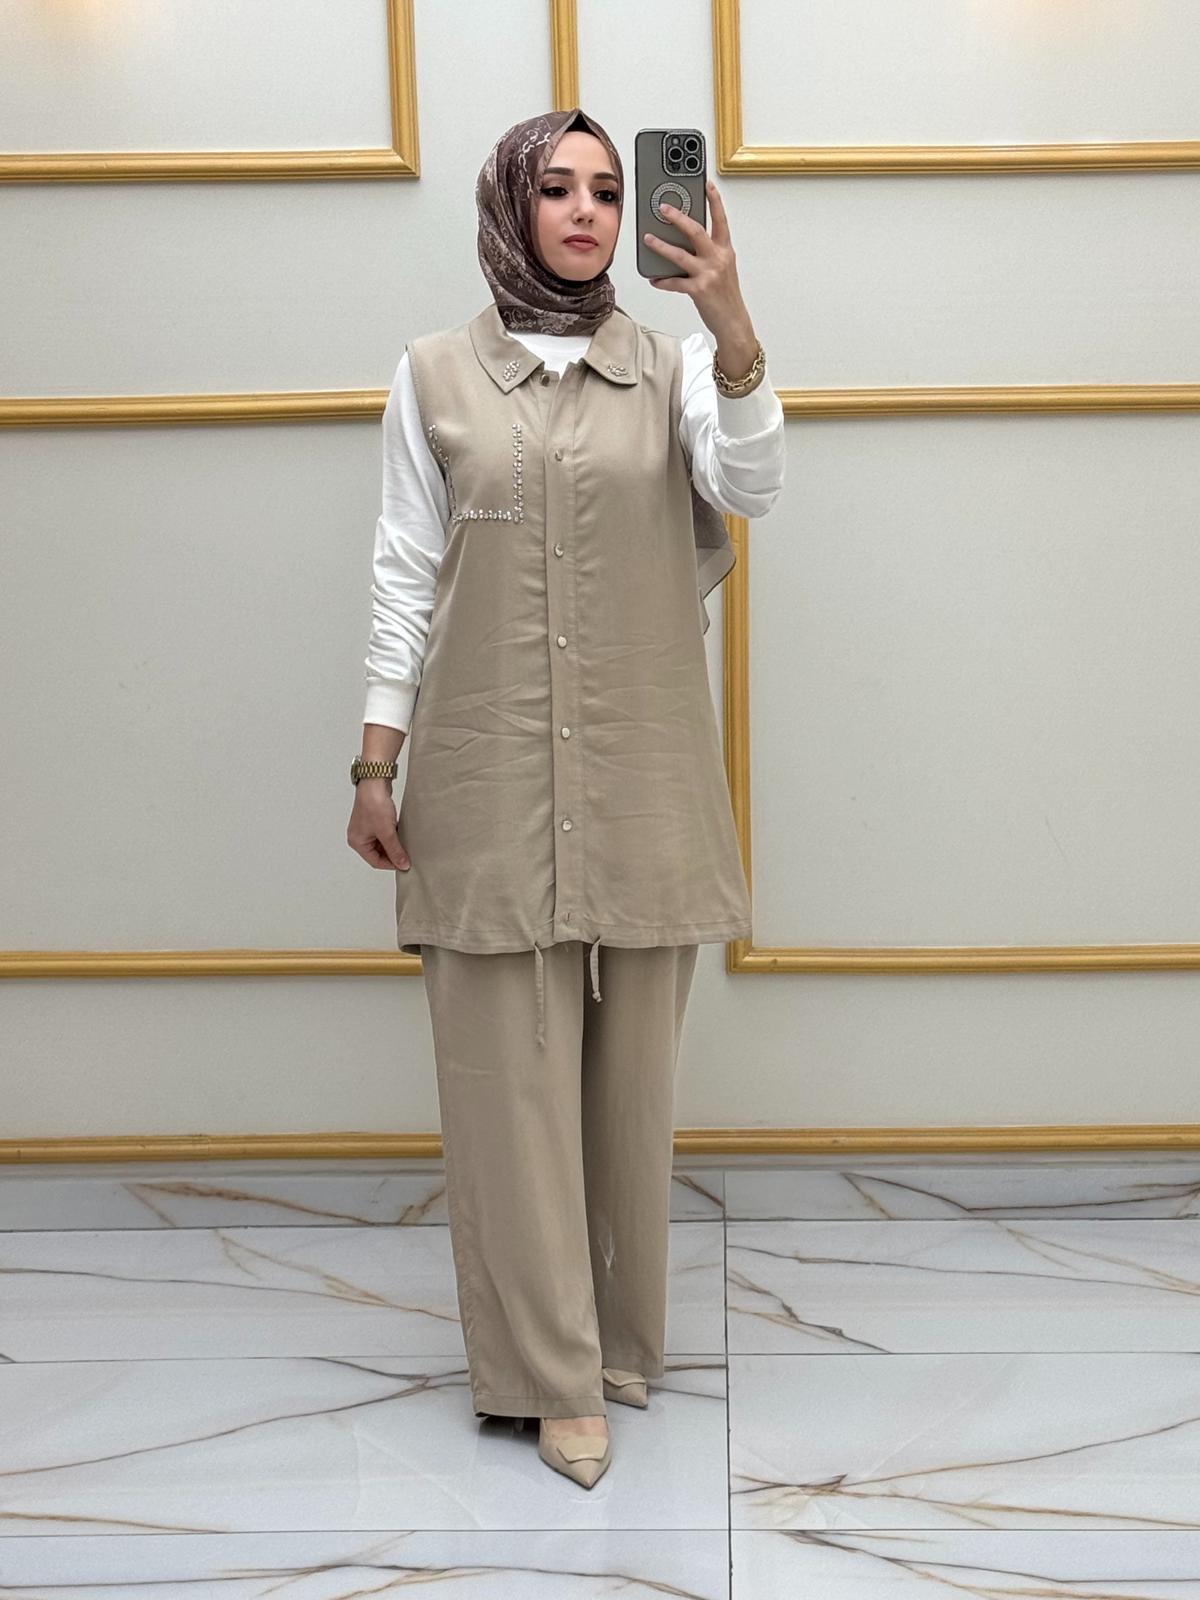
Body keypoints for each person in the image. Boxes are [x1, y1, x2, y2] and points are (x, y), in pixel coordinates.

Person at [347, 107, 784, 1487]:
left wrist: (730, 319)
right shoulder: (431, 375)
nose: (588, 209)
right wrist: (375, 760)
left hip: (641, 768)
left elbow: (752, 484)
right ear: (510, 207)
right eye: (557, 187)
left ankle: (618, 1342)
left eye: (607, 188)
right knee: (505, 1084)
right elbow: (404, 575)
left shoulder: (675, 367)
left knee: (631, 1084)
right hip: (484, 771)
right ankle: (550, 1376)